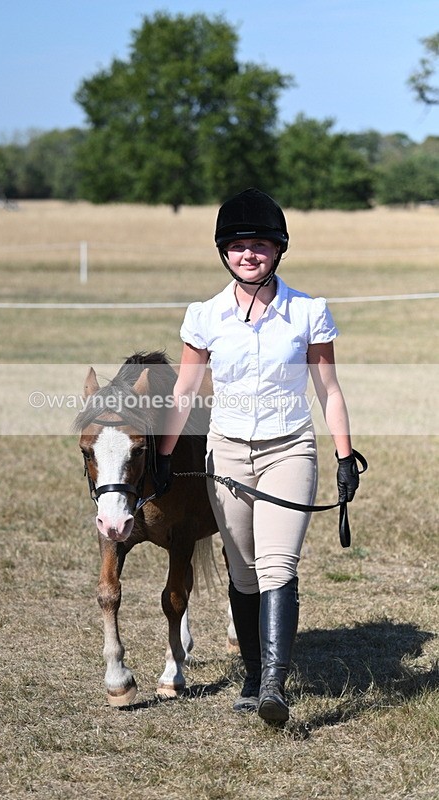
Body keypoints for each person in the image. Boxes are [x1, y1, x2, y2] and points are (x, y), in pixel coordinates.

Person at [153, 187, 360, 723]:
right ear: (224, 251)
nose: (250, 254)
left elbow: (329, 391)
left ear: (278, 250)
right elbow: (184, 392)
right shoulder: (205, 316)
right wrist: (164, 456)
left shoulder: (309, 312)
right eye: (239, 245)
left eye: (261, 245)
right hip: (226, 456)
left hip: (289, 449)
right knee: (243, 571)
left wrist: (343, 456)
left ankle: (273, 685)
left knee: (277, 566)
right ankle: (251, 671)